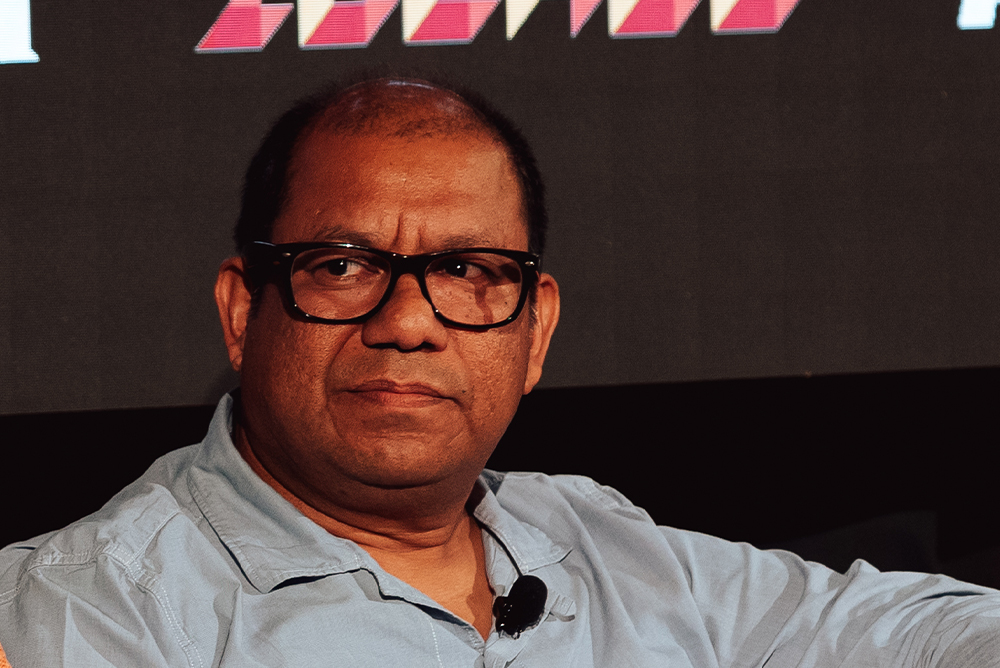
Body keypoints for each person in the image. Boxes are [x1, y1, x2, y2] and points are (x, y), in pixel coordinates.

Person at [1, 77, 998, 667]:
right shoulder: (83, 611)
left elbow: (920, 632)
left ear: (533, 333)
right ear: (241, 308)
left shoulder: (601, 542)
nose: (405, 322)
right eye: (342, 266)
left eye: (469, 273)